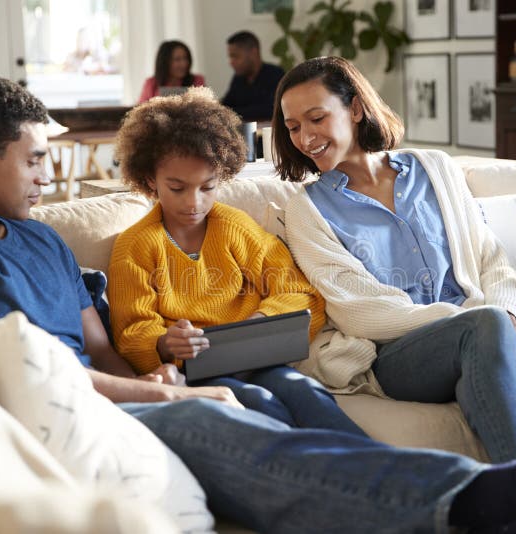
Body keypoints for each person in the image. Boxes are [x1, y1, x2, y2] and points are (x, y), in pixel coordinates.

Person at [0, 75, 516, 534]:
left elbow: (98, 347)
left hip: (131, 386)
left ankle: (496, 500)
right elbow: (5, 357)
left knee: (287, 408)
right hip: (73, 406)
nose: (43, 178)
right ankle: (484, 502)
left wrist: (150, 377)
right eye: (33, 160)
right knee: (226, 418)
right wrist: (164, 378)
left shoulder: (43, 243)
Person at [272, 56, 516, 463]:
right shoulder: (306, 209)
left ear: (355, 109)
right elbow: (360, 313)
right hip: (397, 358)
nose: (304, 138)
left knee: (490, 337)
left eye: (316, 118)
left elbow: (490, 257)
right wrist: (478, 320)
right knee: (485, 326)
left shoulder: (435, 168)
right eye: (293, 127)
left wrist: (508, 318)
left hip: (480, 336)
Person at [108, 88, 366, 435]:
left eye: (207, 187)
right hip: (196, 373)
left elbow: (300, 292)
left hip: (257, 360)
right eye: (177, 188)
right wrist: (164, 342)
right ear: (151, 181)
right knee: (259, 404)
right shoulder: (135, 246)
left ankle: (370, 469)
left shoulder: (235, 227)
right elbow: (130, 333)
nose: (194, 203)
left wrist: (259, 324)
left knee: (307, 394)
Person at [221, 31, 284, 122]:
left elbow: (272, 110)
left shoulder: (275, 74)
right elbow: (225, 106)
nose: (231, 62)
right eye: (230, 57)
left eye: (235, 56)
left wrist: (233, 112)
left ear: (253, 52)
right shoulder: (238, 78)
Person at [138, 40, 205, 104]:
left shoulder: (197, 80)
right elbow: (140, 110)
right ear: (165, 62)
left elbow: (204, 108)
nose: (184, 64)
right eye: (177, 59)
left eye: (185, 58)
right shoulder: (151, 83)